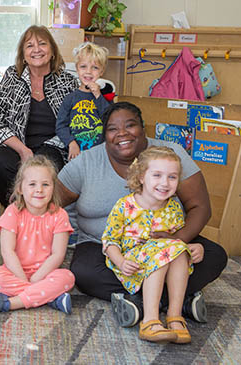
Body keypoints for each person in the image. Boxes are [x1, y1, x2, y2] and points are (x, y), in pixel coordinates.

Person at [58, 101, 228, 328]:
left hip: (167, 241)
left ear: (143, 128)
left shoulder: (170, 155)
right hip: (106, 246)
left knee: (214, 255)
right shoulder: (86, 163)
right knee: (83, 273)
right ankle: (176, 300)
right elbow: (46, 202)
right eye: (112, 129)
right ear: (104, 135)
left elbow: (200, 207)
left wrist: (179, 241)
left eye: (130, 125)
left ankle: (142, 303)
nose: (122, 134)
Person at [0, 25, 78, 210]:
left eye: (42, 44)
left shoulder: (68, 81)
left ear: (52, 51)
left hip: (54, 146)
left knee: (43, 169)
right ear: (23, 53)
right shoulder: (12, 76)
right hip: (16, 145)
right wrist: (23, 151)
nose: (36, 49)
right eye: (29, 45)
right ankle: (16, 212)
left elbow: (77, 122)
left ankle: (35, 216)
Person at [102, 146, 192, 343]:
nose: (164, 183)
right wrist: (120, 261)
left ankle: (174, 316)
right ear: (142, 177)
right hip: (132, 262)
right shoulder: (125, 205)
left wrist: (193, 247)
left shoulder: (174, 208)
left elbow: (176, 239)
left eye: (172, 177)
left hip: (163, 258)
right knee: (166, 253)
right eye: (157, 175)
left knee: (178, 251)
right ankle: (150, 320)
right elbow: (109, 241)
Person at [0, 156, 75, 314]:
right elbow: (7, 251)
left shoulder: (60, 215)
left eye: (45, 184)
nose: (39, 190)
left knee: (68, 277)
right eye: (32, 184)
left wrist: (38, 278)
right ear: (20, 188)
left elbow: (58, 255)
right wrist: (23, 278)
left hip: (46, 273)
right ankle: (50, 297)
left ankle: (10, 303)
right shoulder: (13, 211)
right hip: (14, 271)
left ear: (53, 188)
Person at [55, 42, 111, 160]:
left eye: (95, 67)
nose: (88, 72)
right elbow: (61, 126)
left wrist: (98, 96)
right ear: (77, 69)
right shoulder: (70, 98)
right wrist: (71, 143)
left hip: (100, 155)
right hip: (76, 155)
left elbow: (110, 119)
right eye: (83, 66)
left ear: (101, 71)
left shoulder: (105, 98)